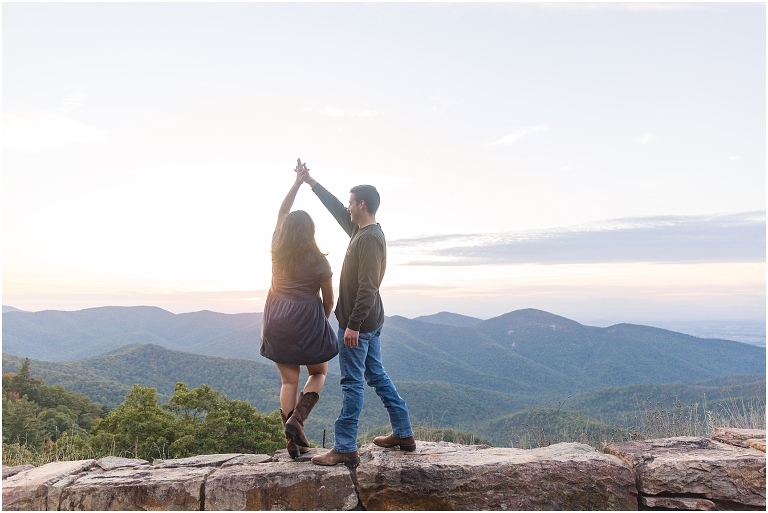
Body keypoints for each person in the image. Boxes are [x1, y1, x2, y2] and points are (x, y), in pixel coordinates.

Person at [299, 167, 415, 468]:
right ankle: (403, 433)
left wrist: (352, 325)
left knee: (352, 383)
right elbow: (336, 208)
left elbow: (369, 286)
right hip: (368, 323)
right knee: (375, 375)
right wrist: (311, 182)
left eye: (352, 202)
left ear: (362, 204)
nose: (347, 207)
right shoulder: (359, 231)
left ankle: (345, 447)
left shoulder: (370, 239)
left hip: (359, 326)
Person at [260, 160, 338, 459]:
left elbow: (281, 212)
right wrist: (321, 323)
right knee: (318, 373)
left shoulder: (277, 248)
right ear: (311, 232)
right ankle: (298, 420)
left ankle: (294, 443)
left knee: (288, 380)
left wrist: (296, 184)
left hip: (276, 319)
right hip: (308, 320)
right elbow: (329, 301)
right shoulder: (320, 262)